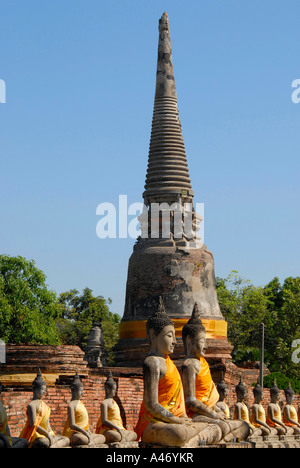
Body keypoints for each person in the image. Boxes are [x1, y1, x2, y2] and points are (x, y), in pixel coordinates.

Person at [135, 297, 220, 447]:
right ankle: (194, 439)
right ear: (153, 335)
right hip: (153, 423)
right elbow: (152, 405)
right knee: (180, 433)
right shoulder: (152, 363)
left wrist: (183, 418)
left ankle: (193, 440)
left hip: (173, 421)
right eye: (169, 336)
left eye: (175, 336)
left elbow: (180, 406)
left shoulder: (171, 365)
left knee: (211, 426)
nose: (174, 341)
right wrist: (177, 420)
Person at [181, 304, 250, 443]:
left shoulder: (203, 364)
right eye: (202, 341)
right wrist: (213, 413)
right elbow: (190, 401)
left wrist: (216, 411)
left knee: (244, 426)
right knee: (223, 426)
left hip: (208, 411)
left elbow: (209, 397)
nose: (206, 346)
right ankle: (218, 437)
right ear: (189, 341)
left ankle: (222, 437)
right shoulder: (189, 365)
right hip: (194, 414)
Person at [20, 369, 69, 448]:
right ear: (34, 389)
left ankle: (52, 446)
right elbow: (34, 425)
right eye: (41, 389)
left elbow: (47, 424)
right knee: (44, 442)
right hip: (36, 435)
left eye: (44, 389)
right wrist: (47, 435)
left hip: (46, 434)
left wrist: (51, 434)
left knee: (66, 439)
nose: (43, 392)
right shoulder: (31, 405)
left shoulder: (45, 406)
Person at [63, 373, 106, 446]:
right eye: (80, 390)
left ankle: (90, 441)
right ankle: (90, 441)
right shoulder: (71, 405)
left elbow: (84, 422)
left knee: (102, 437)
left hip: (84, 432)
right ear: (73, 390)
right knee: (82, 439)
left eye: (82, 390)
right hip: (74, 433)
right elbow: (72, 425)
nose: (82, 393)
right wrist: (84, 432)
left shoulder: (81, 403)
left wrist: (87, 431)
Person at [96, 371, 137, 443]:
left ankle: (123, 438)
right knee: (116, 436)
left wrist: (119, 428)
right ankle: (123, 438)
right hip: (108, 429)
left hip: (119, 428)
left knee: (134, 434)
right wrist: (116, 428)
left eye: (115, 389)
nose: (115, 391)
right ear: (107, 389)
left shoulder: (114, 402)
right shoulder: (104, 403)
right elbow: (104, 420)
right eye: (113, 389)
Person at [0, 381, 29, 448]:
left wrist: (8, 437)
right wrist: (5, 439)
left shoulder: (0, 404)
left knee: (25, 441)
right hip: (1, 438)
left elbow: (5, 425)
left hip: (4, 437)